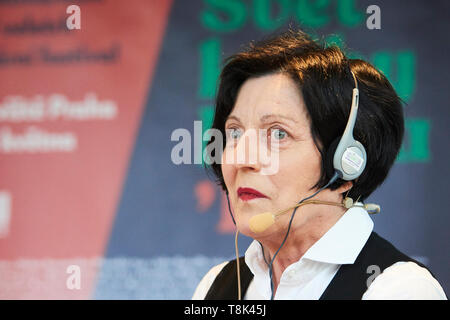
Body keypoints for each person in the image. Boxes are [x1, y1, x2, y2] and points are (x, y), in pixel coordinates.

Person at [192, 29, 446, 300]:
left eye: (278, 133)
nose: (242, 158)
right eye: (234, 132)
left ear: (348, 165)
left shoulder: (398, 290)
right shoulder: (216, 285)